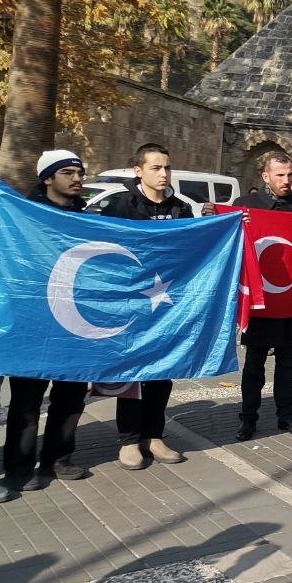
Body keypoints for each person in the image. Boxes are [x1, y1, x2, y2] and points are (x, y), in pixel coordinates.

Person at [2, 150, 93, 492]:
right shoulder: (25, 217)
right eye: (68, 172)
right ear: (47, 178)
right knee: (27, 401)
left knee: (70, 395)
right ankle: (19, 466)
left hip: (74, 323)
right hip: (33, 322)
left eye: (79, 172)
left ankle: (58, 458)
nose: (77, 178)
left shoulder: (87, 218)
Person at [100, 144, 194, 470]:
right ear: (138, 170)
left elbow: (193, 253)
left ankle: (154, 435)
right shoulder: (119, 206)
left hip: (166, 304)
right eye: (156, 168)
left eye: (167, 167)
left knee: (162, 372)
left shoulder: (182, 209)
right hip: (130, 305)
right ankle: (128, 440)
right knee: (133, 374)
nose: (164, 174)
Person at [226, 152, 292, 442]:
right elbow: (224, 234)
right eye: (280, 175)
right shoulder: (246, 206)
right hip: (261, 300)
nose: (286, 180)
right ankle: (249, 418)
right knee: (254, 363)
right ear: (266, 176)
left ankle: (286, 416)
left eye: (290, 174)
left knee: (288, 363)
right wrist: (215, 215)